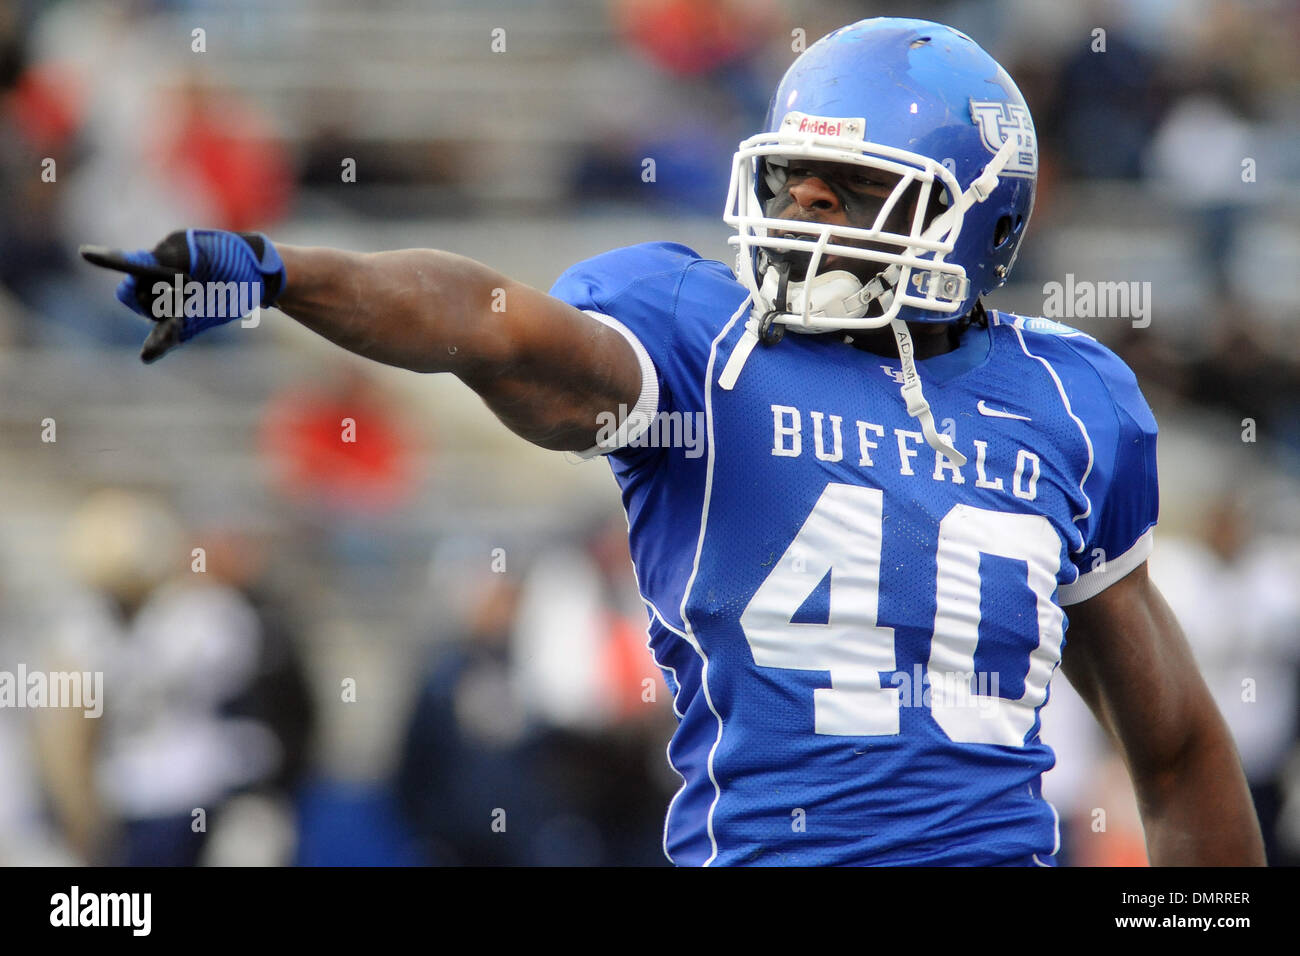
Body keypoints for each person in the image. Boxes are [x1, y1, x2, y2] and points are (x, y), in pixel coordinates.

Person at [84, 17, 1264, 866]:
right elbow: (488, 325)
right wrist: (286, 272)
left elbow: (1175, 750)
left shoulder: (1069, 400)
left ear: (976, 213)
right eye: (792, 176)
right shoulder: (707, 345)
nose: (799, 208)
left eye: (844, 191)